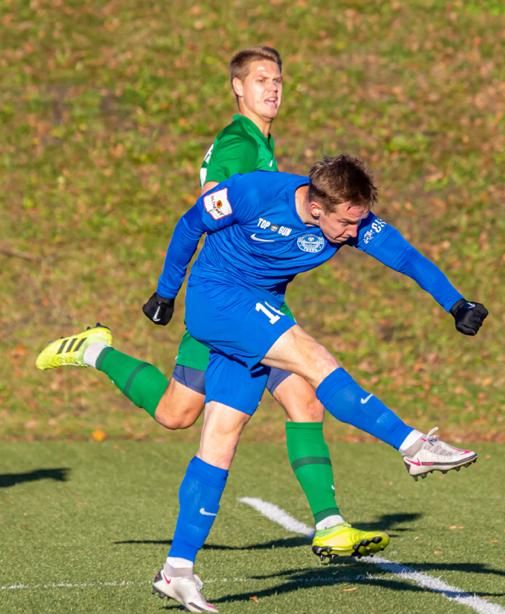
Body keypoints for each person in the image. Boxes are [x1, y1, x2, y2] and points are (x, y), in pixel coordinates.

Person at [35, 47, 369, 562]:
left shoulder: (261, 142)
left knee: (293, 401)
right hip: (230, 304)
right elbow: (210, 208)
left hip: (252, 304)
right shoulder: (239, 144)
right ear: (238, 87)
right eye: (261, 80)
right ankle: (95, 351)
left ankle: (330, 525)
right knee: (178, 412)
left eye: (278, 79)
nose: (273, 89)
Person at [148, 154, 488, 612]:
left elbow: (406, 257)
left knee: (220, 439)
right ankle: (412, 446)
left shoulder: (352, 219)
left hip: (259, 303)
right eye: (347, 223)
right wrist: (166, 293)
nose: (355, 232)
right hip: (218, 299)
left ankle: (178, 569)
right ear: (315, 208)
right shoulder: (253, 193)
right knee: (315, 360)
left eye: (360, 220)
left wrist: (456, 303)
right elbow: (191, 224)